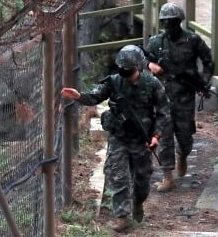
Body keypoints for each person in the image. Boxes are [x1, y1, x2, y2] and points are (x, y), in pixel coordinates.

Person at [61, 45, 170, 231]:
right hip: (119, 137)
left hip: (142, 140)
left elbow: (163, 112)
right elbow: (96, 96)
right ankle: (122, 216)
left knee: (143, 179)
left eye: (129, 69)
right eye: (122, 68)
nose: (124, 72)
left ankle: (137, 202)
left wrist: (156, 135)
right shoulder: (113, 82)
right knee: (117, 174)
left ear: (139, 67)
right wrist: (79, 96)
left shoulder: (152, 84)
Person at [145, 2, 214, 192]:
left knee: (185, 137)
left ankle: (182, 154)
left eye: (173, 22)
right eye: (166, 22)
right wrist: (151, 66)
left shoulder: (193, 40)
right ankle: (168, 176)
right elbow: (143, 58)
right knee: (164, 136)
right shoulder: (156, 42)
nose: (169, 26)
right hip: (161, 97)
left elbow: (208, 61)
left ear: (179, 22)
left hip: (184, 96)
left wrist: (203, 83)